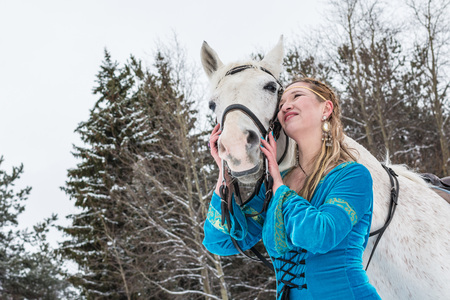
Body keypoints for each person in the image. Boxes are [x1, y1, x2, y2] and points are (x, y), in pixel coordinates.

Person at [203, 78, 381, 299]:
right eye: (282, 103)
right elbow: (221, 242)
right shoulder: (276, 184)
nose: (285, 105)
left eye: (297, 96)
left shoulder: (353, 176)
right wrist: (224, 170)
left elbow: (320, 236)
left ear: (326, 108)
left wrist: (279, 189)